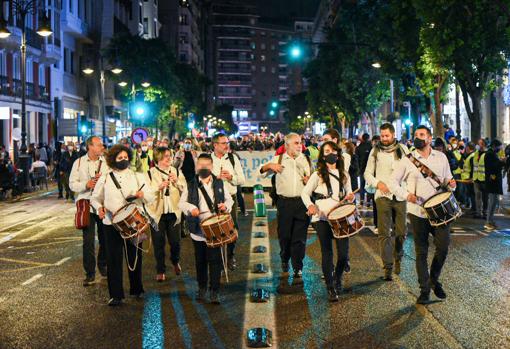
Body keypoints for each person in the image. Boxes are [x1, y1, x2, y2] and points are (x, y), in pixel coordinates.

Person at [388, 125, 456, 304]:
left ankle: (433, 279)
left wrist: (452, 183)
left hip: (440, 211)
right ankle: (424, 290)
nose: (418, 137)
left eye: (422, 135)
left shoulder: (440, 157)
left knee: (443, 247)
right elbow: (392, 182)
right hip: (418, 212)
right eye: (416, 135)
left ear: (429, 137)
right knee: (421, 252)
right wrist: (406, 195)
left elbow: (448, 178)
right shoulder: (407, 160)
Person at [91, 144, 155, 306]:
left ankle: (137, 289)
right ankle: (116, 295)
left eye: (126, 157)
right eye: (120, 158)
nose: (123, 160)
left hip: (133, 221)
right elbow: (94, 198)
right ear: (113, 160)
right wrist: (99, 208)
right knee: (113, 258)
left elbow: (150, 195)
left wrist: (142, 194)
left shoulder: (137, 176)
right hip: (110, 223)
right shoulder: (105, 177)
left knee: (135, 256)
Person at [301, 141, 354, 301]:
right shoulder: (317, 174)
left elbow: (350, 192)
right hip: (322, 217)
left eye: (332, 150)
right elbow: (305, 193)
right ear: (323, 156)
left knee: (344, 255)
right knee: (327, 252)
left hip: (340, 217)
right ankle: (330, 287)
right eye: (326, 151)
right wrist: (310, 205)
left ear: (337, 153)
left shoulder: (344, 173)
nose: (330, 153)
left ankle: (337, 278)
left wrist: (350, 196)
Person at [178, 153, 234, 304]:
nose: (203, 168)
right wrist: (191, 208)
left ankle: (214, 290)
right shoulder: (191, 184)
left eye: (206, 165)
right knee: (200, 260)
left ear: (211, 166)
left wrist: (225, 206)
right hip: (197, 229)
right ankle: (202, 288)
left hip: (215, 229)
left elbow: (229, 200)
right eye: (200, 165)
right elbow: (181, 203)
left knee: (215, 260)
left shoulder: (219, 183)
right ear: (197, 167)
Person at [260, 133, 312, 282]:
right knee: (285, 236)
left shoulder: (306, 160)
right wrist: (270, 166)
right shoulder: (279, 159)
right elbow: (261, 173)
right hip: (284, 204)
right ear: (287, 145)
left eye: (300, 143)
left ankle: (297, 267)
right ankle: (284, 258)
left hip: (302, 203)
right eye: (296, 143)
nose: (299, 146)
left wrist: (310, 180)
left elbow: (314, 182)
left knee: (299, 238)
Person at [364, 123, 408, 280]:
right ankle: (388, 266)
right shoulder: (375, 151)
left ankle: (398, 255)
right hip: (382, 196)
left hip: (400, 195)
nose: (384, 139)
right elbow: (367, 174)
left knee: (401, 232)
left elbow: (410, 170)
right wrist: (378, 184)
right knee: (384, 233)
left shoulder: (403, 150)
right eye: (382, 136)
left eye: (386, 136)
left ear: (393, 135)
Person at [69, 136, 108, 286]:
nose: (102, 147)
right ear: (90, 147)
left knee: (105, 238)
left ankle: (102, 264)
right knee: (88, 241)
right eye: (99, 145)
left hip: (102, 204)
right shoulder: (78, 163)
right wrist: (87, 184)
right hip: (86, 204)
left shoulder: (106, 163)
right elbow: (72, 184)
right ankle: (90, 273)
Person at [148, 147, 186, 281]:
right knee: (158, 243)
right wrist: (158, 187)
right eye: (166, 157)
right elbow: (146, 193)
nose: (169, 159)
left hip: (174, 213)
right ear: (158, 158)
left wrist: (176, 181)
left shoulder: (176, 171)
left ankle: (175, 261)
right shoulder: (150, 173)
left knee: (175, 242)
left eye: (170, 156)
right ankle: (160, 270)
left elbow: (185, 189)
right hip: (156, 214)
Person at [211, 133, 246, 270]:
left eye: (227, 143)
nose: (227, 145)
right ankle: (217, 259)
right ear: (215, 145)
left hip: (231, 198)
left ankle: (230, 255)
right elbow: (200, 179)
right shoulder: (208, 159)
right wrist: (215, 178)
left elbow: (242, 180)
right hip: (213, 200)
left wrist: (231, 177)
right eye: (223, 143)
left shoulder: (232, 158)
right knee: (215, 230)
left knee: (232, 229)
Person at [484, 140, 505, 230]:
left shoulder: (492, 154)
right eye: (499, 147)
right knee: (492, 202)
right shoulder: (490, 154)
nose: (500, 149)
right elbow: (493, 167)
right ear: (494, 146)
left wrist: (500, 161)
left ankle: (491, 221)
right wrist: (501, 162)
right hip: (492, 182)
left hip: (494, 182)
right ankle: (488, 222)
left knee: (494, 202)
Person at [355, 133, 373, 206]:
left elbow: (357, 159)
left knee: (362, 185)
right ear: (368, 138)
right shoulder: (370, 147)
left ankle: (362, 200)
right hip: (369, 169)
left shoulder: (358, 147)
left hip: (361, 169)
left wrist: (358, 169)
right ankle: (368, 200)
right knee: (369, 184)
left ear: (362, 138)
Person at [473, 139, 488, 219]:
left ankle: (485, 213)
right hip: (476, 178)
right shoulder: (476, 153)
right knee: (477, 197)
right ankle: (478, 213)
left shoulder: (487, 154)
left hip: (484, 179)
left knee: (485, 197)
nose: (478, 145)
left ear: (484, 144)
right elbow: (474, 166)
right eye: (478, 143)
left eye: (480, 144)